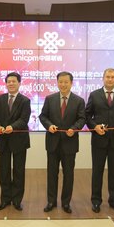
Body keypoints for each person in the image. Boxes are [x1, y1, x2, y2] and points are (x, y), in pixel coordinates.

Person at [85, 68, 114, 214]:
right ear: (103, 78)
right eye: (108, 77)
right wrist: (95, 126)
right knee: (97, 171)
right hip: (99, 140)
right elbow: (87, 116)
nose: (110, 79)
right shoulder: (94, 95)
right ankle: (96, 201)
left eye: (113, 77)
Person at [39, 71, 86, 214]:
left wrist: (74, 128)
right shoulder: (50, 98)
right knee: (52, 174)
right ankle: (51, 201)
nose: (63, 84)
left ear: (71, 83)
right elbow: (43, 116)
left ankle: (66, 203)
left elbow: (82, 119)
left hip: (70, 143)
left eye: (66, 82)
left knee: (68, 174)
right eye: (61, 81)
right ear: (57, 82)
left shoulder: (79, 101)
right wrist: (49, 126)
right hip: (53, 143)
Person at [0, 72, 31, 211]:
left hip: (19, 141)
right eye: (9, 81)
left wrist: (12, 127)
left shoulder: (25, 101)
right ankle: (5, 199)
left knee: (19, 172)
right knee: (4, 171)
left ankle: (17, 200)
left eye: (14, 81)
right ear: (6, 83)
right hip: (3, 140)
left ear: (19, 83)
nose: (11, 83)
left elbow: (24, 119)